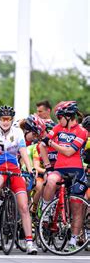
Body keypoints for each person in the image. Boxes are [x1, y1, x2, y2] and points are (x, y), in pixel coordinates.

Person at [0, 105, 38, 255]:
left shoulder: (18, 132)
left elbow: (23, 151)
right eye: (3, 119)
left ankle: (29, 242)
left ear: (12, 119)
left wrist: (29, 168)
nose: (6, 122)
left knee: (23, 206)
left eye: (8, 119)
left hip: (14, 168)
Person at [38, 101, 88, 252]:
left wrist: (52, 143)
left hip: (77, 171)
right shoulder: (58, 128)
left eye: (60, 116)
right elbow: (42, 145)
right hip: (59, 169)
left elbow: (68, 152)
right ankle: (45, 208)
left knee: (76, 206)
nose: (58, 119)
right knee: (51, 180)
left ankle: (73, 239)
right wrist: (47, 167)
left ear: (68, 116)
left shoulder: (82, 132)